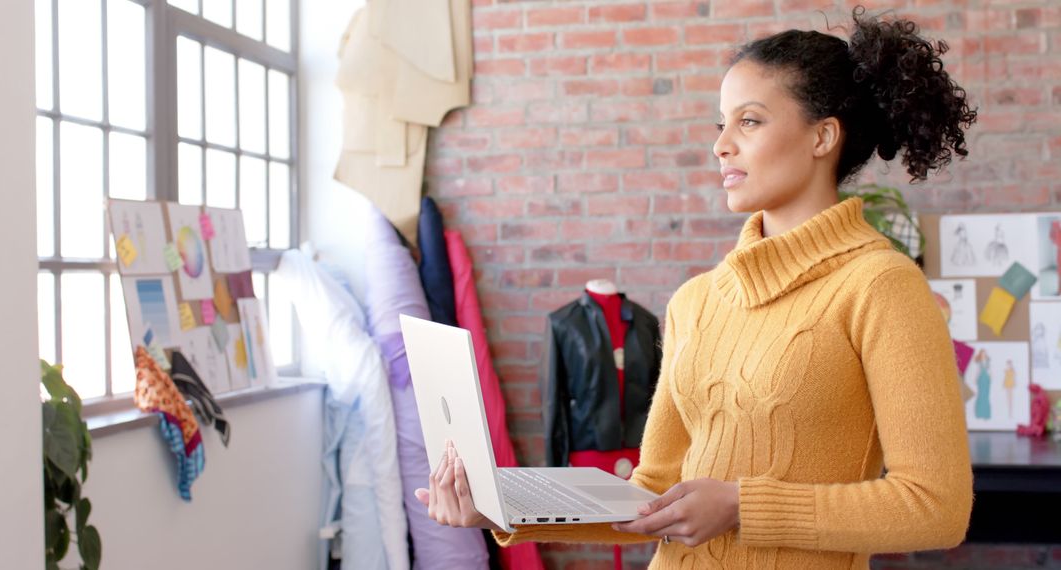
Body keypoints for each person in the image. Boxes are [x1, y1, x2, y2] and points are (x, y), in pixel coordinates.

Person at [416, 7, 977, 569]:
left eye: (749, 122)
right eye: (721, 124)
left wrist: (741, 506)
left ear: (822, 136)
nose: (721, 147)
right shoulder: (696, 302)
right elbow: (653, 493)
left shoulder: (881, 288)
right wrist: (502, 506)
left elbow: (936, 507)